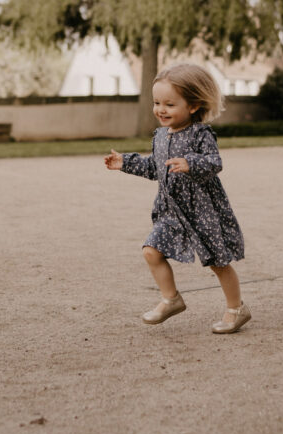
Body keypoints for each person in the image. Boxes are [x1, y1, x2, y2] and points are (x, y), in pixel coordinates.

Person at [104, 63, 250, 334]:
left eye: (169, 104)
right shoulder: (159, 136)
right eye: (157, 102)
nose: (160, 109)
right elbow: (153, 169)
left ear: (193, 105)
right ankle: (171, 299)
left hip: (201, 209)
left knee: (218, 262)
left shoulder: (200, 133)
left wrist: (190, 163)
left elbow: (214, 162)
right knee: (151, 250)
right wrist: (125, 162)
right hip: (171, 211)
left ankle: (236, 309)